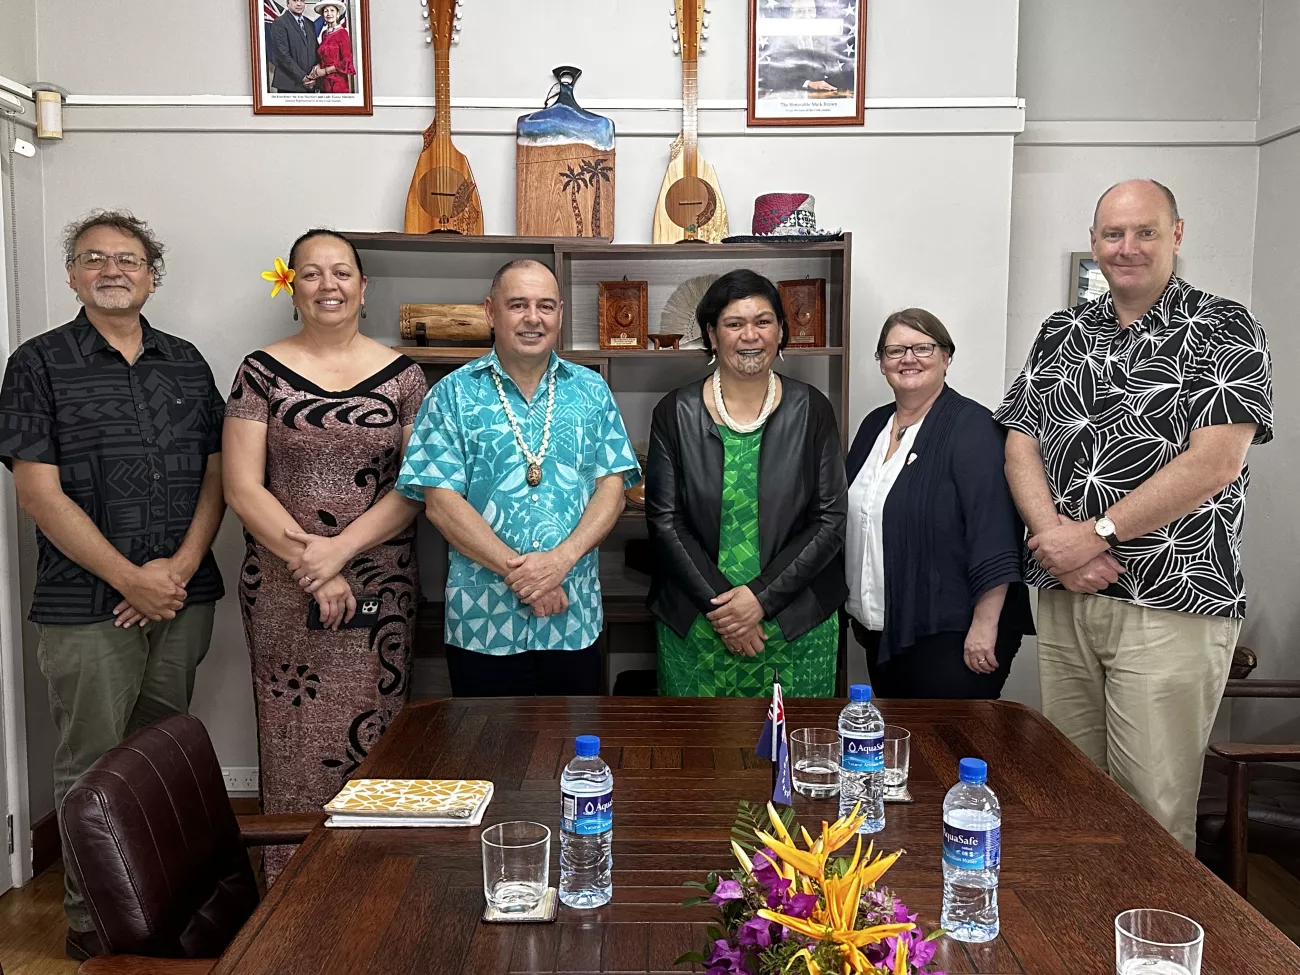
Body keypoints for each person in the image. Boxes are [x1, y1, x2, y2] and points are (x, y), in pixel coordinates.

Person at [995, 179, 1273, 851]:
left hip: (1170, 602)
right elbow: (1019, 444)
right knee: (1072, 792)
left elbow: (1215, 462)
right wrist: (1055, 541)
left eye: (1145, 231)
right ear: (1094, 243)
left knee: (1151, 809)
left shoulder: (1223, 326)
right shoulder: (1061, 332)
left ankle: (1147, 951)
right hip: (1069, 595)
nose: (1127, 247)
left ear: (1176, 235)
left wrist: (1094, 534)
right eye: (1113, 234)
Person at [0, 211, 226, 960]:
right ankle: (93, 923)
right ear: (72, 275)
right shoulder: (37, 362)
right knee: (92, 762)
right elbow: (38, 493)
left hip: (183, 596)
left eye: (128, 258)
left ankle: (160, 903)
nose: (112, 269)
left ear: (152, 274)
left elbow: (217, 474)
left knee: (161, 759)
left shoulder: (187, 363)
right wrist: (133, 578)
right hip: (86, 604)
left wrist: (181, 570)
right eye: (94, 258)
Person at [223, 229, 427, 883]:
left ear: (364, 288)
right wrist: (311, 567)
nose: (328, 284)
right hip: (284, 590)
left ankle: (371, 885)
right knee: (293, 746)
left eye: (342, 272)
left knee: (377, 737)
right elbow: (241, 486)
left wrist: (337, 553)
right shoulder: (259, 371)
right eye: (310, 273)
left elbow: (416, 487)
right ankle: (287, 894)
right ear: (291, 288)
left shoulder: (404, 377)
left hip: (380, 591)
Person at [397, 260, 639, 696]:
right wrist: (529, 578)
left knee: (572, 755)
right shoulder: (451, 394)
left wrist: (559, 563)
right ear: (491, 312)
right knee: (485, 752)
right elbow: (440, 503)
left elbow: (613, 489)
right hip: (482, 622)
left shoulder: (591, 390)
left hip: (573, 616)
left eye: (545, 306)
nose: (533, 318)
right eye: (518, 305)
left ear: (560, 314)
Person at [645, 269, 846, 697]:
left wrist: (758, 601)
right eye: (734, 323)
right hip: (698, 625)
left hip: (793, 625)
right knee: (699, 757)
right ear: (712, 336)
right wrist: (727, 612)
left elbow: (829, 520)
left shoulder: (813, 409)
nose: (749, 335)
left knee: (794, 756)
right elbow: (664, 521)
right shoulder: (674, 412)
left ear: (781, 333)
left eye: (763, 321)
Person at [845, 309, 1032, 699]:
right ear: (881, 363)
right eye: (895, 350)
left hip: (953, 632)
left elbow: (994, 530)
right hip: (886, 626)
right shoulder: (873, 426)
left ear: (947, 357)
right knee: (899, 747)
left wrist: (985, 625)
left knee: (948, 751)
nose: (908, 358)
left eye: (923, 348)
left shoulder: (973, 428)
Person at [269, 0, 321, 94]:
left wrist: (315, 74)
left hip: (310, 85)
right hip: (289, 86)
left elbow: (315, 51)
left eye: (302, 0)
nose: (299, 4)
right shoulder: (279, 23)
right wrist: (303, 78)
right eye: (295, 0)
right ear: (288, 3)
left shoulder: (309, 23)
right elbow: (283, 56)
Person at [314, 1, 356, 95]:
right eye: (326, 11)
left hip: (338, 83)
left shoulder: (342, 33)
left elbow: (346, 62)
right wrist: (318, 67)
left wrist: (325, 71)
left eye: (332, 10)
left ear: (337, 14)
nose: (329, 13)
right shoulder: (324, 34)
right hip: (324, 83)